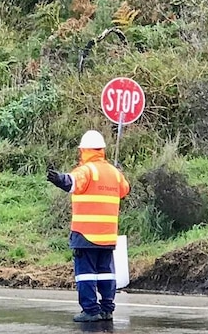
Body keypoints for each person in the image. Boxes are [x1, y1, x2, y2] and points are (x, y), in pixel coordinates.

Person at [47, 130, 130, 323]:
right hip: (107, 236)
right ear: (102, 150)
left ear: (84, 150)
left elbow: (72, 181)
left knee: (85, 275)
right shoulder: (114, 173)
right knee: (106, 273)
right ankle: (107, 309)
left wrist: (59, 179)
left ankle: (91, 310)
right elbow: (125, 189)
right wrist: (118, 172)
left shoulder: (87, 169)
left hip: (86, 235)